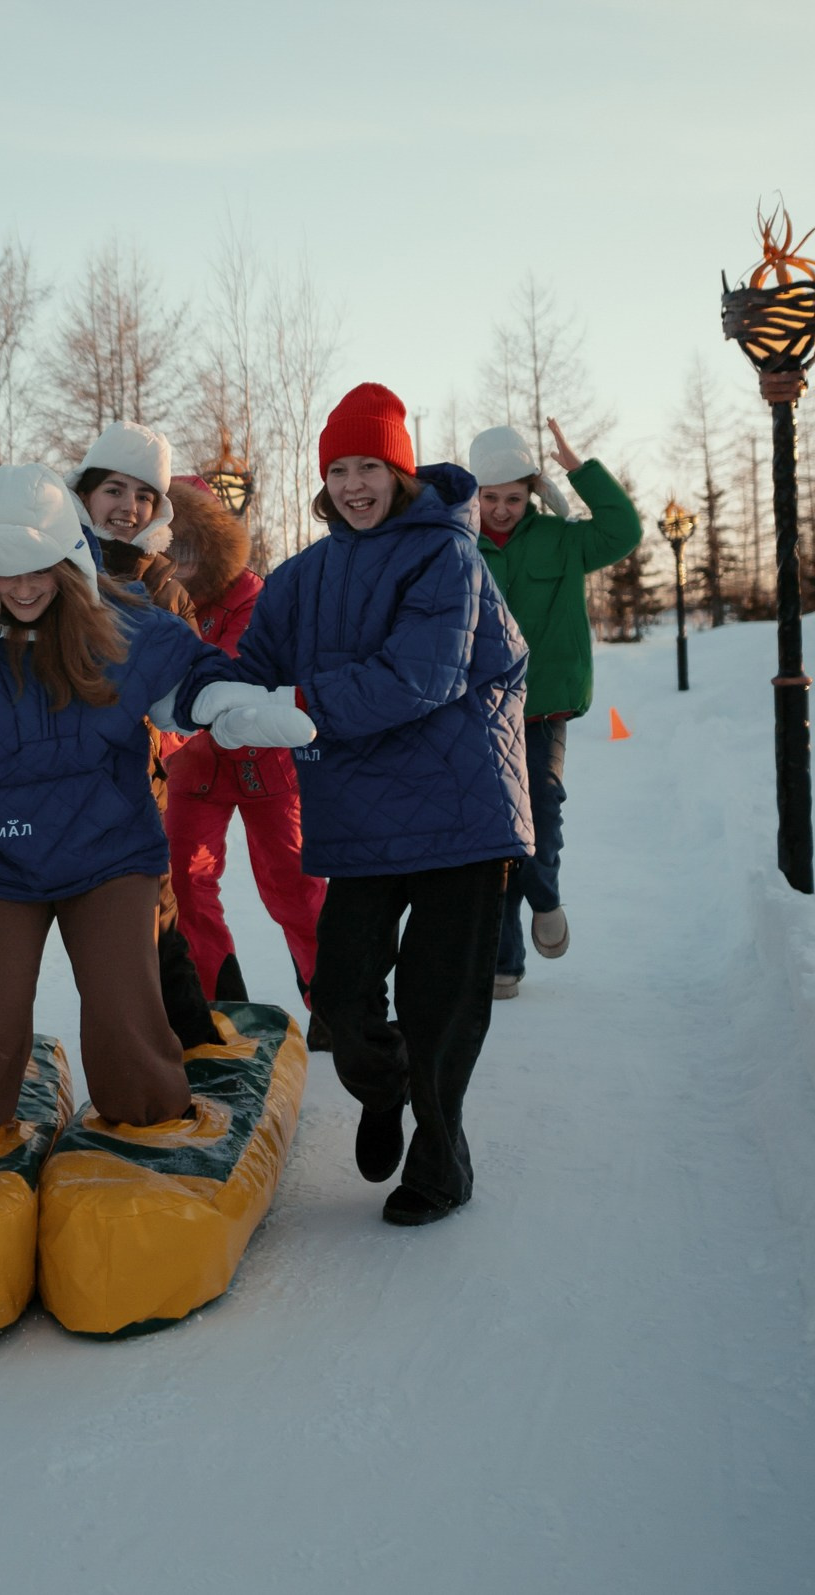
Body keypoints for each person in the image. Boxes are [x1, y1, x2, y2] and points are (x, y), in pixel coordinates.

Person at [0, 464, 309, 1136]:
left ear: (69, 561)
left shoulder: (125, 628)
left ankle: (149, 1120)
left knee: (124, 1009)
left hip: (109, 854)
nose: (22, 588)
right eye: (4, 572)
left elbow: (189, 673)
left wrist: (223, 704)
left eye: (38, 569)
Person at [197, 383, 532, 1227]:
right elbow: (248, 662)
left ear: (400, 473)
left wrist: (296, 704)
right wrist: (199, 690)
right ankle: (383, 1090)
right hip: (360, 822)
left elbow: (421, 676)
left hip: (460, 814)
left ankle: (441, 1163)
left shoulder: (447, 557)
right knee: (341, 998)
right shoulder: (301, 578)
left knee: (439, 1007)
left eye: (370, 467)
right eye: (339, 469)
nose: (353, 485)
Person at [465, 419, 641, 1000]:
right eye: (490, 497)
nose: (501, 510)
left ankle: (545, 897)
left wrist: (579, 471)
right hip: (480, 711)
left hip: (542, 707)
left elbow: (622, 531)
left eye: (513, 498)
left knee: (541, 807)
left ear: (532, 493)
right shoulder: (459, 547)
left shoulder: (562, 540)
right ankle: (503, 962)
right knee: (495, 837)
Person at [62, 423, 219, 1049]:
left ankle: (198, 1050)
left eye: (144, 495)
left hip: (131, 788)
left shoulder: (166, 592)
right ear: (85, 493)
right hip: (39, 785)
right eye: (114, 490)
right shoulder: (47, 567)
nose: (128, 507)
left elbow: (188, 698)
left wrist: (155, 732)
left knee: (156, 928)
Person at [160, 477, 328, 1027]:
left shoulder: (253, 597)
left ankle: (333, 1004)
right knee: (186, 885)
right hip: (192, 771)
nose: (180, 559)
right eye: (170, 545)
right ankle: (220, 1006)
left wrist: (165, 729)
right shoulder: (154, 598)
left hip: (264, 763)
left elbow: (229, 681)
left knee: (294, 888)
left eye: (191, 545)